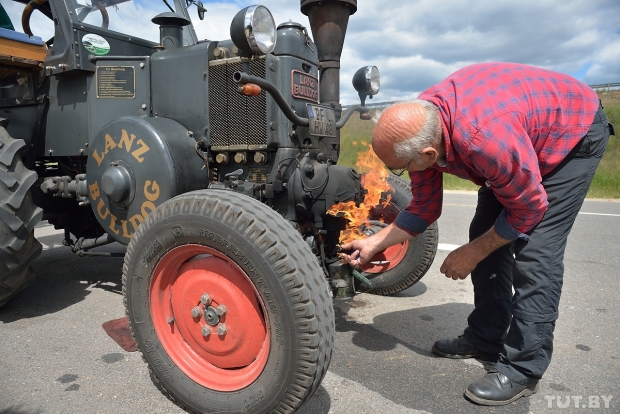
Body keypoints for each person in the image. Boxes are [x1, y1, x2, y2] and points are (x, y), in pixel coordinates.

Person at [340, 62, 613, 406]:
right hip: (515, 135)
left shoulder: (484, 140)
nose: (401, 173)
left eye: (401, 167)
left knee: (536, 252)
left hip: (571, 133)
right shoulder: (424, 124)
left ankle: (523, 369)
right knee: (483, 232)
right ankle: (486, 337)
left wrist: (472, 252)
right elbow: (425, 206)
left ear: (429, 154)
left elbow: (529, 208)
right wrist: (373, 243)